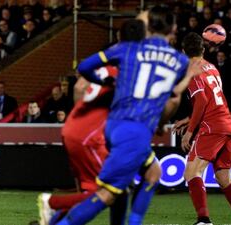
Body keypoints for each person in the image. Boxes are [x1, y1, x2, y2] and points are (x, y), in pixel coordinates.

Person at [56, 6, 201, 225]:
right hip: (137, 130)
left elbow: (85, 67)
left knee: (153, 173)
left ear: (148, 26)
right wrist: (185, 81)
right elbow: (172, 99)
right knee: (107, 194)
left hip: (113, 124)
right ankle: (57, 220)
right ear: (172, 29)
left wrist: (103, 81)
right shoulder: (179, 62)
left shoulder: (127, 48)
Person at [173, 32, 231, 225]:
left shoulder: (191, 71)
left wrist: (190, 133)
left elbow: (201, 101)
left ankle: (204, 220)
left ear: (183, 51)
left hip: (212, 126)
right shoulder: (212, 68)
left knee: (192, 172)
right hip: (226, 123)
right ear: (203, 49)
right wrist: (188, 118)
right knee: (223, 176)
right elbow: (212, 100)